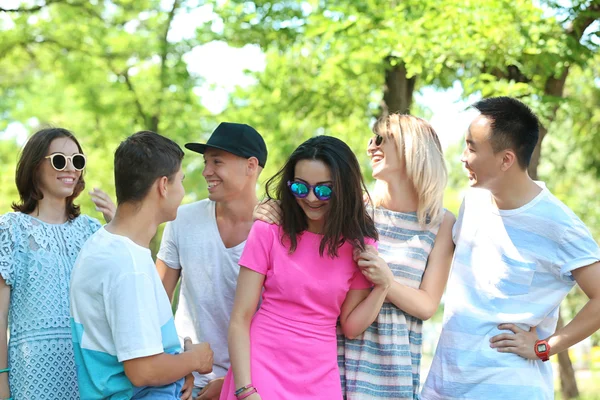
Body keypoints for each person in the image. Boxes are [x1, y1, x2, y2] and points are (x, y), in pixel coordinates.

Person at [254, 114, 456, 399]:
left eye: (381, 139)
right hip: (330, 354)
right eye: (371, 139)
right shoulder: (355, 209)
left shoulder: (441, 223)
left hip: (389, 364)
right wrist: (267, 210)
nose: (370, 145)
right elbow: (302, 235)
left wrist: (386, 282)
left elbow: (426, 305)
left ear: (415, 147)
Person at [421, 97, 600, 400]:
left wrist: (544, 347)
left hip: (507, 387)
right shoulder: (473, 202)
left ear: (506, 160)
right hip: (445, 385)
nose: (463, 157)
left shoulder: (559, 224)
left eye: (472, 147)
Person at [221, 135, 390, 400]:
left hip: (319, 375)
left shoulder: (360, 243)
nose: (311, 198)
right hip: (260, 367)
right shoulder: (269, 229)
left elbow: (351, 326)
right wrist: (245, 389)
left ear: (344, 189)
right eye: (300, 188)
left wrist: (383, 286)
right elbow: (240, 318)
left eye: (324, 190)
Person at [69, 131, 213, 400]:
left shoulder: (104, 245)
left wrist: (179, 366)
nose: (183, 191)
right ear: (163, 186)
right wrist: (196, 359)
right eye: (180, 181)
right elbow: (143, 371)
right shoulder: (127, 265)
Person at [0, 127, 113, 400]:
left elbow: (123, 298)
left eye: (78, 161)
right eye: (60, 160)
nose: (71, 169)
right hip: (31, 378)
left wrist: (117, 224)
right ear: (34, 166)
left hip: (89, 376)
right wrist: (1, 380)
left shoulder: (92, 230)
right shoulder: (10, 230)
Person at [156, 122, 267, 399]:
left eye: (217, 162)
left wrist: (230, 384)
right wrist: (177, 367)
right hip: (183, 383)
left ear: (251, 166)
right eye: (206, 162)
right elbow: (156, 304)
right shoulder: (182, 220)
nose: (206, 172)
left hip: (253, 384)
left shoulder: (277, 231)